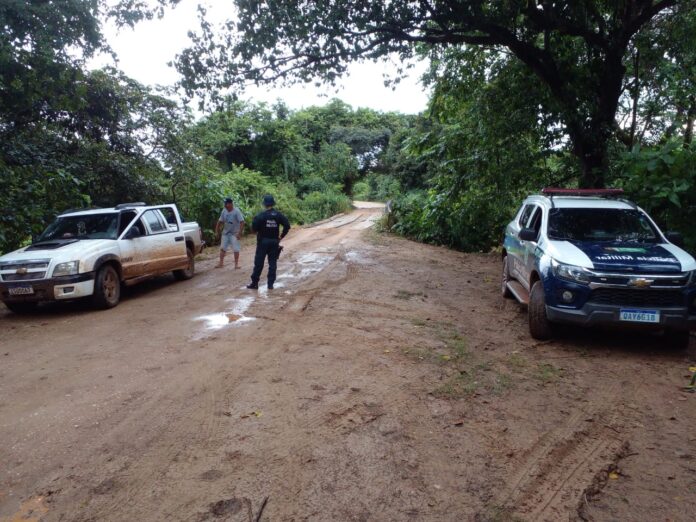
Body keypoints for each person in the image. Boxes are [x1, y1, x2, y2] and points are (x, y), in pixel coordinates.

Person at [247, 194, 290, 290]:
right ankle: (270, 284)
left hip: (263, 242)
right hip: (274, 241)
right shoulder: (279, 215)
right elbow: (287, 225)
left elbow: (254, 229)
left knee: (259, 263)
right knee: (272, 263)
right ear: (273, 204)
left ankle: (254, 283)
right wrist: (281, 236)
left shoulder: (260, 216)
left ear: (264, 204)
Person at [215, 197, 245, 269]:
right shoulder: (224, 211)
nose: (225, 205)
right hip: (225, 233)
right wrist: (217, 230)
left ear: (231, 204)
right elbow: (220, 221)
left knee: (236, 249)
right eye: (225, 204)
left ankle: (236, 264)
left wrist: (239, 233)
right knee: (222, 248)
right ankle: (221, 263)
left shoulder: (236, 211)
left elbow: (242, 222)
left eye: (227, 204)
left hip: (234, 233)